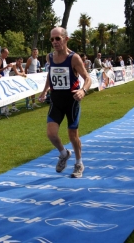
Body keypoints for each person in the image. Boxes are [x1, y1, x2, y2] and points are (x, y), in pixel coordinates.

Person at [38, 27, 91, 178]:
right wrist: (44, 91)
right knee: (51, 134)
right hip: (56, 101)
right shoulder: (49, 57)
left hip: (71, 101)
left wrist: (83, 91)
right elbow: (50, 76)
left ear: (66, 39)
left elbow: (88, 78)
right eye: (52, 39)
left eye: (57, 38)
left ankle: (79, 163)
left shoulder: (74, 58)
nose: (54, 42)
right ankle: (63, 153)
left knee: (73, 135)